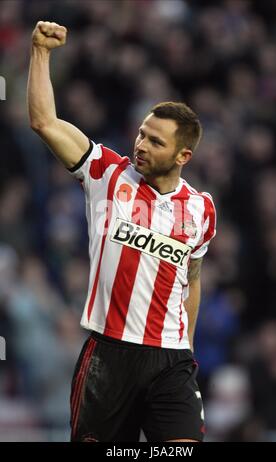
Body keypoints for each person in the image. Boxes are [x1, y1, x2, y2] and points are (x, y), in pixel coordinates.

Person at [27, 21, 217, 443]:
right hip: (108, 355)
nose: (141, 145)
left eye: (155, 141)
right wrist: (40, 53)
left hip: (171, 361)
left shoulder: (202, 209)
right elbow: (44, 122)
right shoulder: (107, 173)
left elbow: (193, 279)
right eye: (141, 133)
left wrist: (185, 346)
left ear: (183, 155)